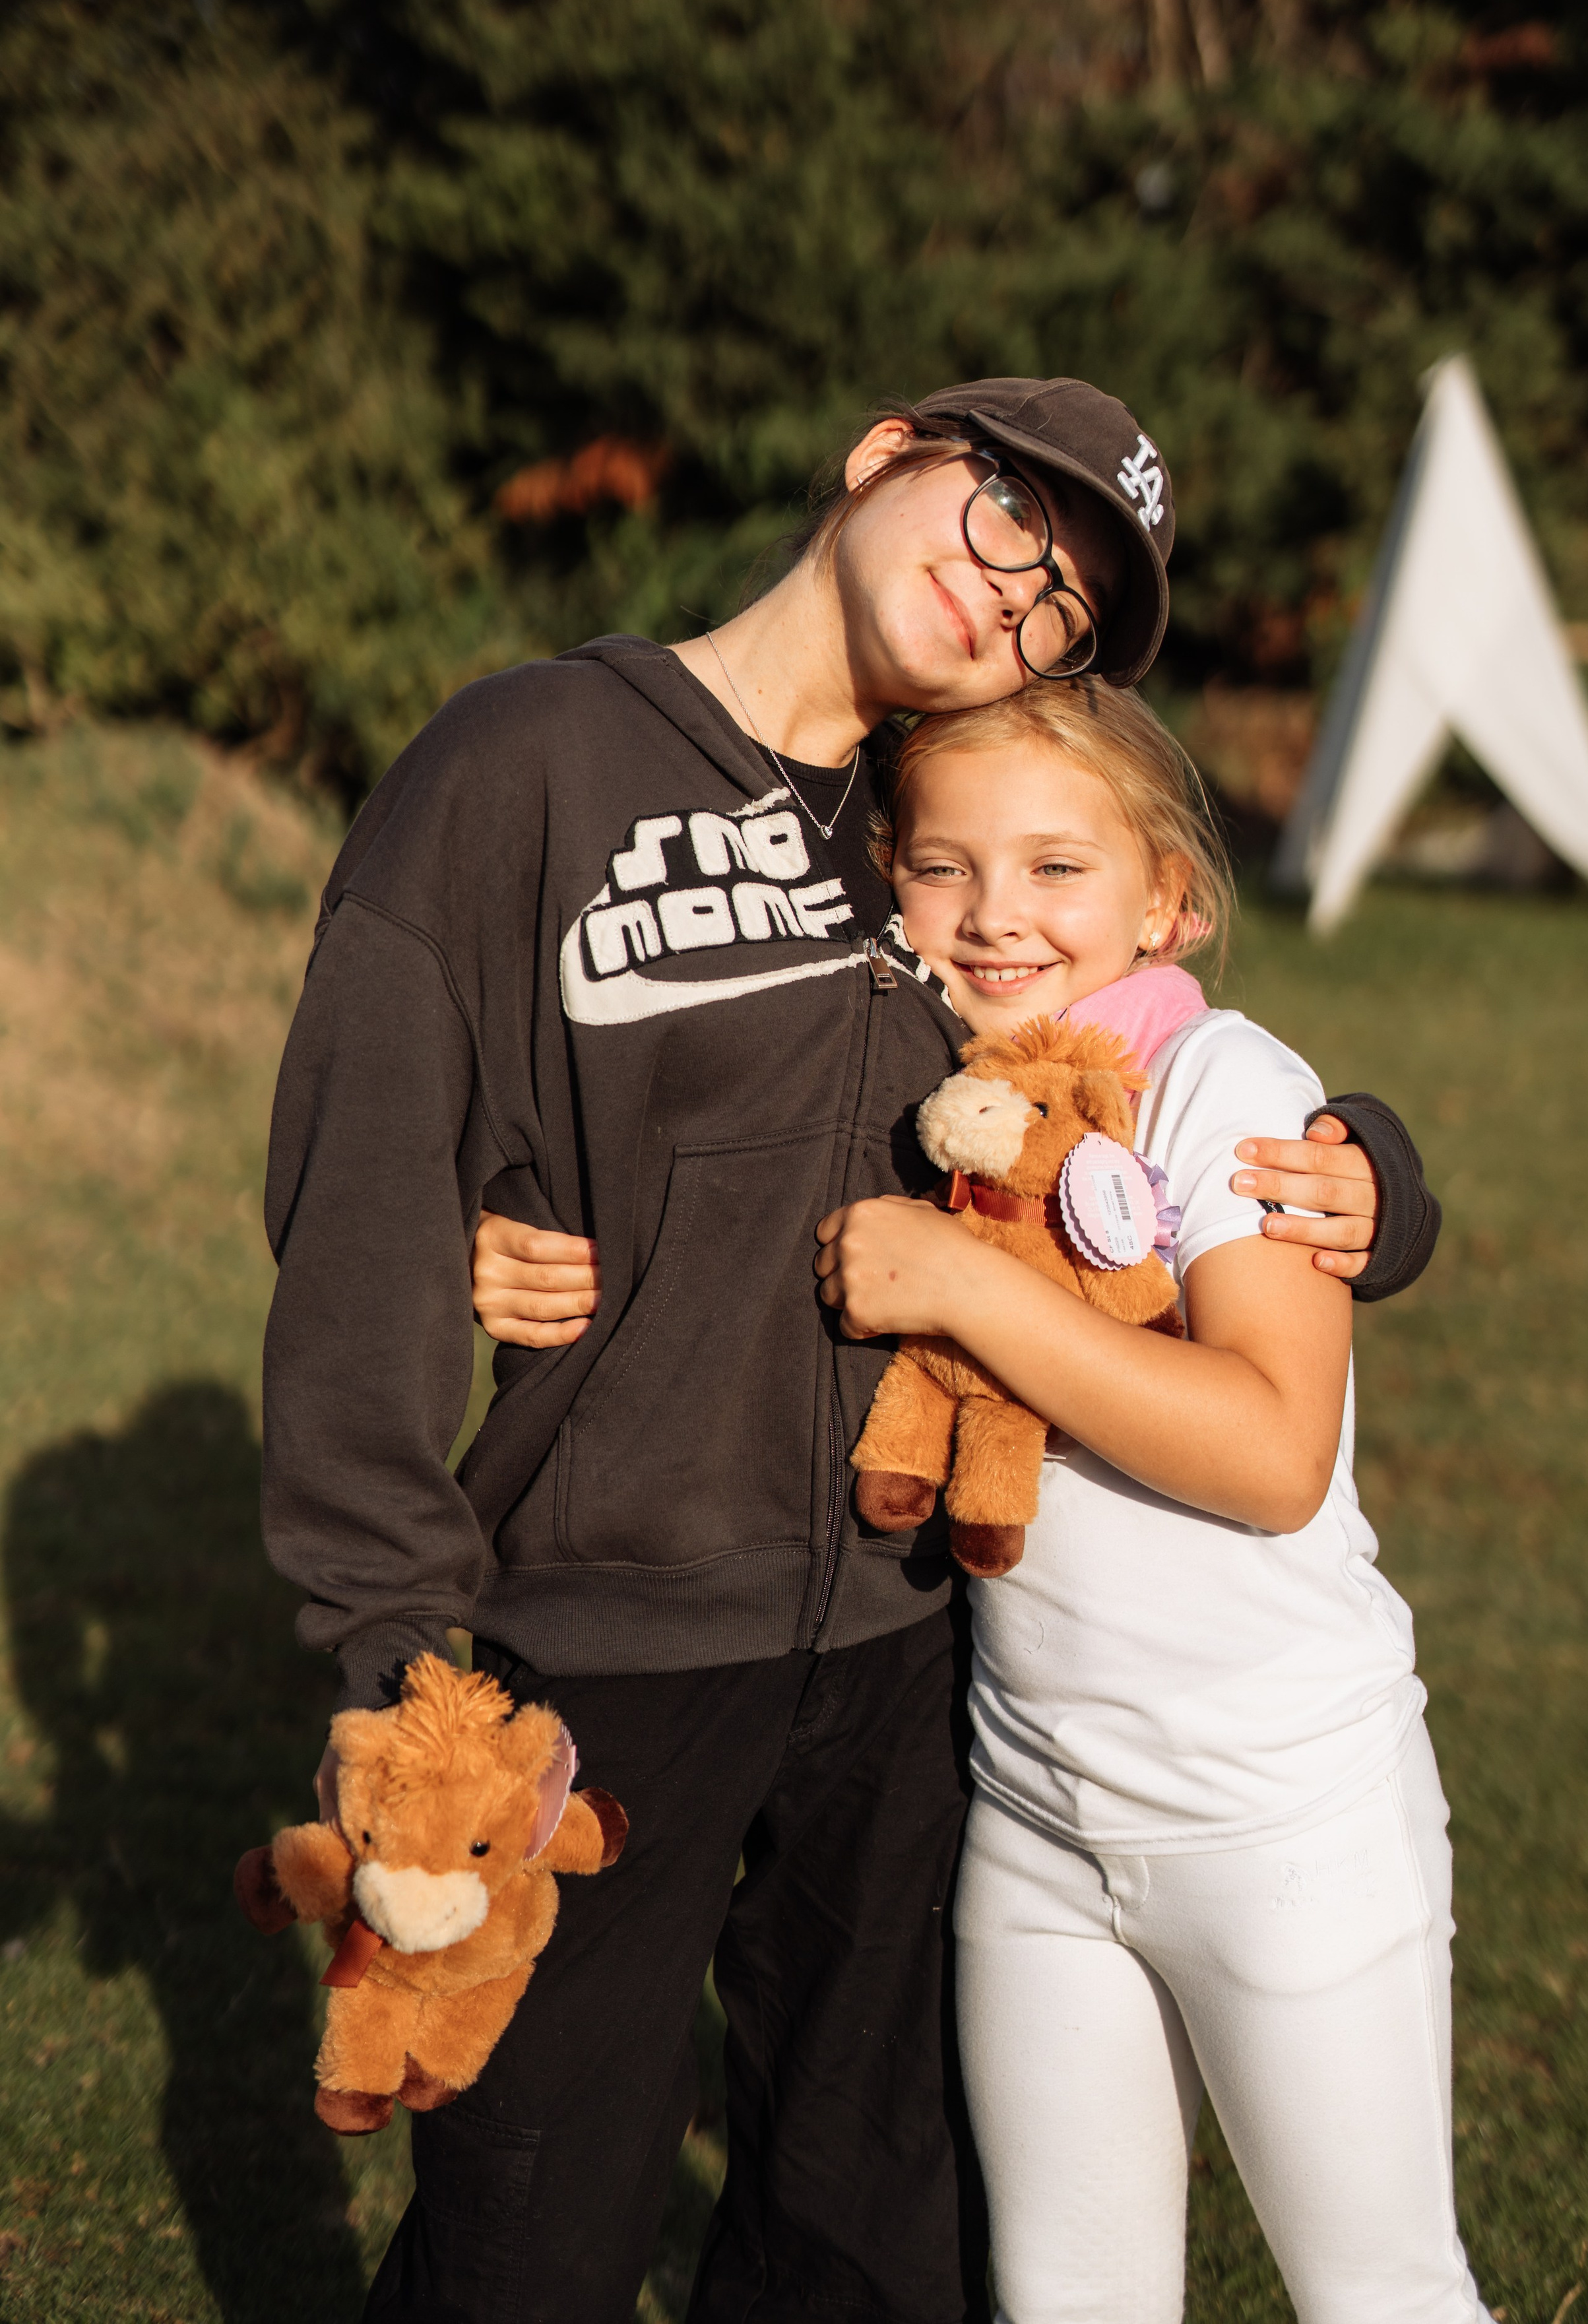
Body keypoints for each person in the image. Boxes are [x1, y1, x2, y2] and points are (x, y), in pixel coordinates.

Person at [261, 379, 1437, 2324]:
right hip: (610, 1636)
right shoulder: (529, 762)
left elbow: (1132, 1049)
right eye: (1008, 518)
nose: (1013, 597)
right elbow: (366, 1188)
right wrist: (392, 1645)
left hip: (920, 1657)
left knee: (871, 2249)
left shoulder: (942, 819)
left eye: (1061, 606)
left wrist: (1373, 1176)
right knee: (531, 2232)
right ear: (885, 453)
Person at [802, 679, 1486, 2323]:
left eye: (1056, 868)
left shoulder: (1221, 1084)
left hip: (1284, 1823)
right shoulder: (916, 1092)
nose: (993, 915)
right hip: (1036, 1828)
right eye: (942, 866)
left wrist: (966, 1290)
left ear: (1165, 899)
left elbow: (1269, 1451)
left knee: (1379, 2297)